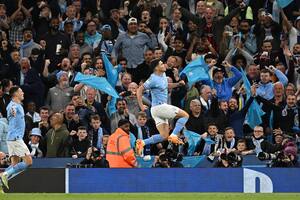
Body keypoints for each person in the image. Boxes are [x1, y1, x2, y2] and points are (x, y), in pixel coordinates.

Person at [136, 60, 189, 155]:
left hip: (156, 110)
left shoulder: (163, 75)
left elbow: (165, 85)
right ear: (156, 68)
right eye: (161, 64)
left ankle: (142, 142)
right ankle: (173, 135)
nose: (164, 65)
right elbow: (139, 89)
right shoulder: (153, 78)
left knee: (164, 136)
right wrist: (141, 105)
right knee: (185, 115)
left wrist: (178, 84)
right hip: (160, 107)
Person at [0, 86, 33, 190]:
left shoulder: (16, 105)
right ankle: (4, 174)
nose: (23, 93)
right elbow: (12, 110)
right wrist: (13, 111)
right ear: (15, 94)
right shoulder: (13, 105)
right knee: (28, 162)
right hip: (15, 138)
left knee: (15, 164)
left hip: (12, 138)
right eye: (21, 91)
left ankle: (0, 183)